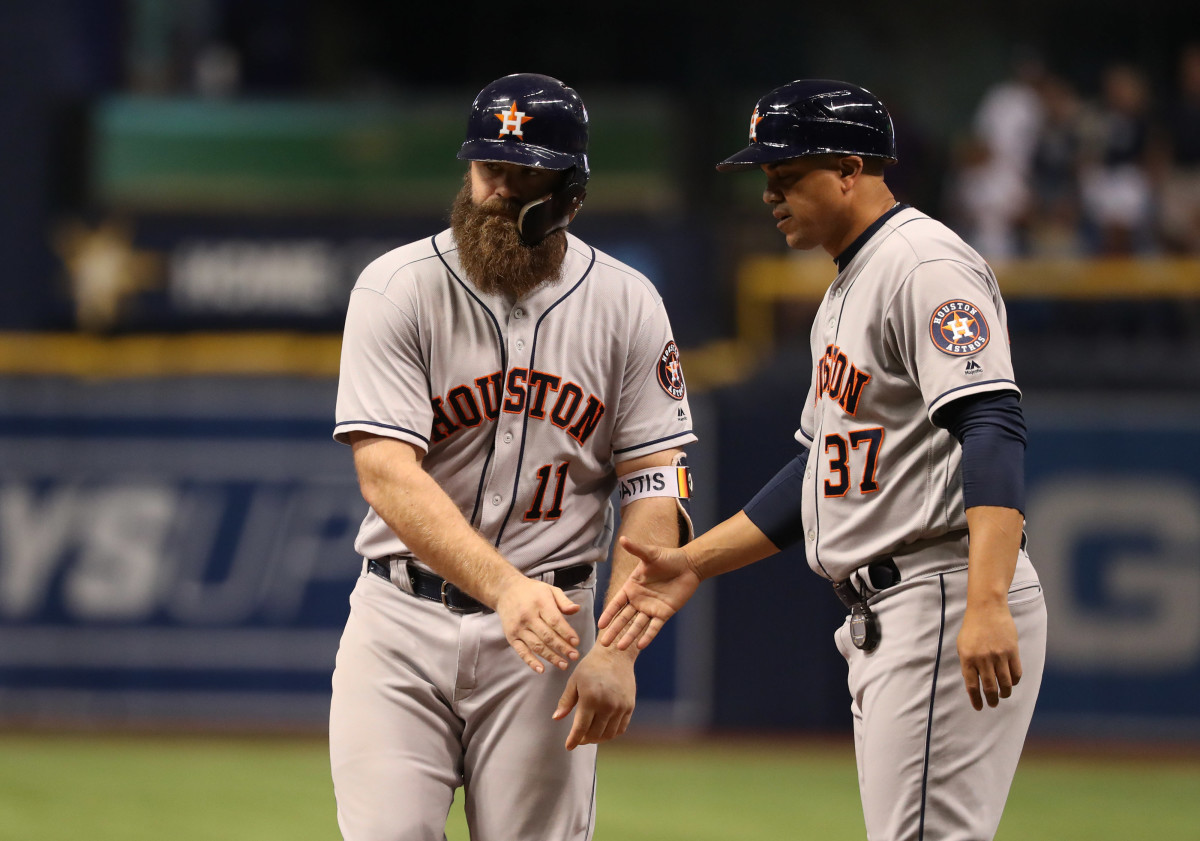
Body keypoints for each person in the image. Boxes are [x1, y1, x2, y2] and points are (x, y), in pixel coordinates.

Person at [599, 79, 1048, 841]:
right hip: (894, 605)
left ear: (849, 168)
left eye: (787, 176)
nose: (770, 195)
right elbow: (818, 471)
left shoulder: (923, 264)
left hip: (939, 589)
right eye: (766, 180)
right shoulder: (848, 283)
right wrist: (694, 562)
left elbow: (992, 423)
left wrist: (987, 598)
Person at [329, 72, 697, 841]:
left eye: (522, 171)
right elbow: (386, 472)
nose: (497, 190)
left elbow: (656, 490)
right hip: (400, 624)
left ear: (569, 190)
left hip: (552, 635)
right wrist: (503, 589)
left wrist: (619, 650)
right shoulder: (397, 287)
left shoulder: (627, 303)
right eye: (487, 167)